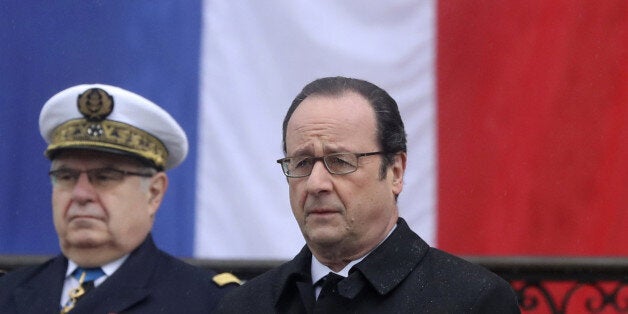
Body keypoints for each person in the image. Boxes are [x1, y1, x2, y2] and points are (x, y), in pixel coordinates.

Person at [215, 76, 520, 313]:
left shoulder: (471, 301)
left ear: (395, 172)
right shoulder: (246, 305)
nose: (315, 183)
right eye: (302, 163)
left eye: (340, 161)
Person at [0, 84, 239, 313]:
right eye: (66, 176)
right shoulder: (8, 292)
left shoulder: (210, 303)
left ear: (154, 193)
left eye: (105, 177)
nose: (81, 194)